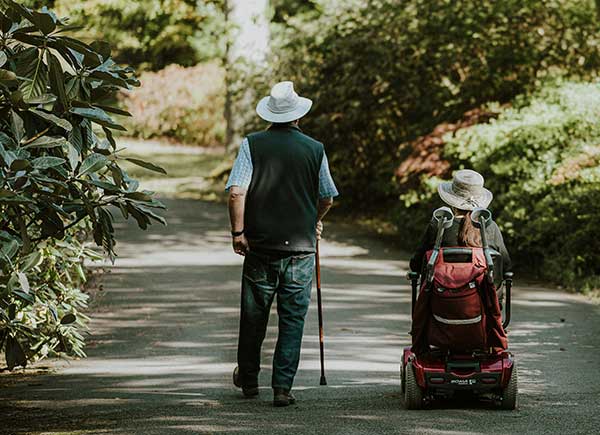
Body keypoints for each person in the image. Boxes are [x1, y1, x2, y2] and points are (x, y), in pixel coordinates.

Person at [226, 81, 339, 407]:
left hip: (260, 247)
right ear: (298, 115)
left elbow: (236, 191)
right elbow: (327, 197)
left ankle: (248, 380)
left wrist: (238, 232)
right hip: (301, 251)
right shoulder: (315, 149)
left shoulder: (252, 144)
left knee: (254, 316)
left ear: (270, 115)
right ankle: (282, 388)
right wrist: (313, 220)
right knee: (292, 320)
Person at [410, 169, 511, 276]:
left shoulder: (438, 225)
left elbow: (416, 264)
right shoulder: (489, 227)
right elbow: (505, 265)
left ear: (452, 201)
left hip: (441, 291)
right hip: (481, 290)